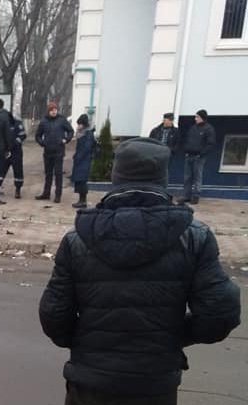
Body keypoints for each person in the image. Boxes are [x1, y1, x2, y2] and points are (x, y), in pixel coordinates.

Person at [40, 137, 241, 405]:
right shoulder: (194, 237)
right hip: (154, 383)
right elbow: (220, 314)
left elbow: (54, 316)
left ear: (116, 176)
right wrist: (173, 336)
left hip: (89, 382)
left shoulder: (78, 239)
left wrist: (86, 343)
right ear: (163, 177)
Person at [35, 102, 74, 203]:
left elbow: (71, 131)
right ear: (48, 111)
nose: (54, 111)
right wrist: (42, 143)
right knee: (48, 174)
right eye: (52, 110)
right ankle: (46, 193)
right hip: (47, 152)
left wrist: (66, 139)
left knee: (58, 174)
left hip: (59, 151)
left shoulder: (61, 120)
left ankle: (58, 195)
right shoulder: (44, 121)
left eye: (55, 110)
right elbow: (38, 135)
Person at [179, 109, 216, 205]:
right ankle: (186, 196)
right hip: (189, 155)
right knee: (187, 177)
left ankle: (195, 196)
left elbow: (210, 144)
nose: (195, 119)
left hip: (199, 157)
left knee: (197, 177)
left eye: (197, 117)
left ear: (202, 118)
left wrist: (201, 154)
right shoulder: (193, 127)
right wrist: (186, 150)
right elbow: (187, 139)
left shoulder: (208, 129)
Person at [0, 109, 27, 199]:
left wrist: (14, 143)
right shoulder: (2, 124)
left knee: (18, 171)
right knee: (1, 170)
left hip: (16, 151)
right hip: (5, 151)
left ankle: (18, 190)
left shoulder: (18, 123)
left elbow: (23, 135)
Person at [69, 114, 95, 209]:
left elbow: (86, 148)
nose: (78, 126)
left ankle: (83, 201)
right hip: (80, 160)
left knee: (82, 180)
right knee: (79, 180)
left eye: (80, 124)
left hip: (84, 160)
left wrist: (79, 156)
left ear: (84, 124)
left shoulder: (88, 134)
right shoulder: (82, 133)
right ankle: (81, 200)